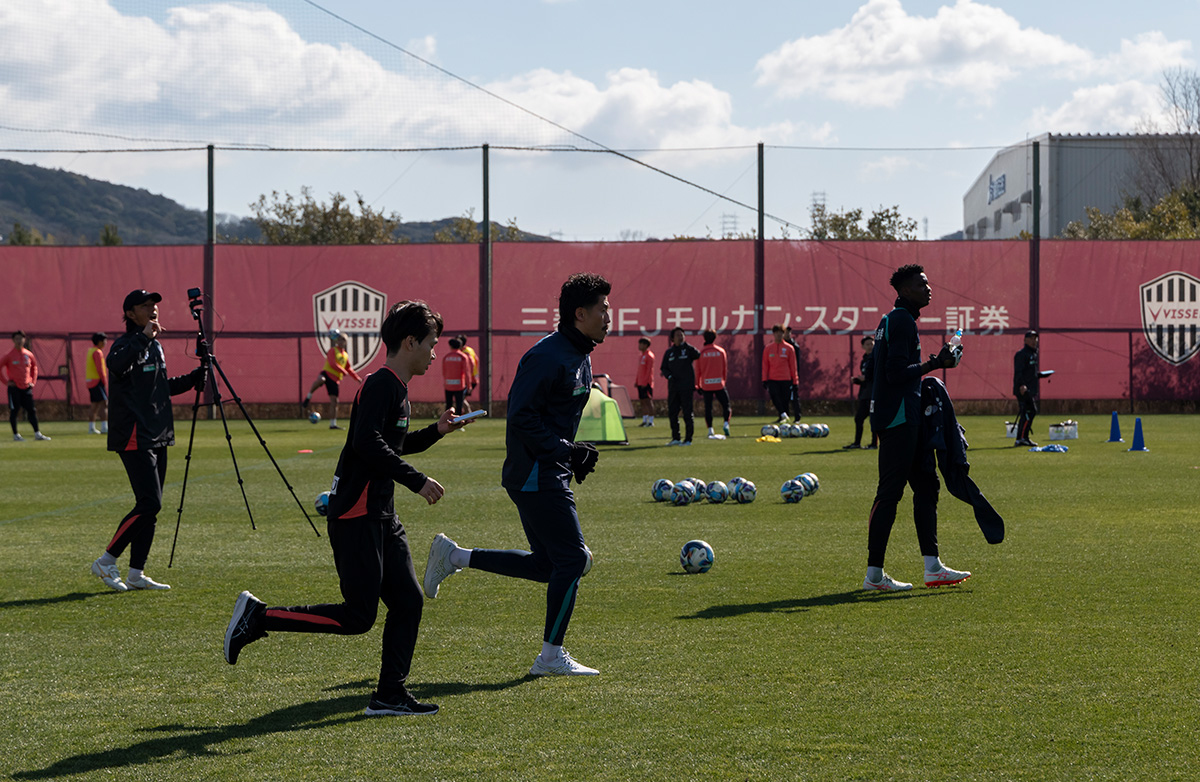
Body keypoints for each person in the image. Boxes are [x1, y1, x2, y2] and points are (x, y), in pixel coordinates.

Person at [223, 300, 473, 717]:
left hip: (380, 515)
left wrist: (437, 431)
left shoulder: (396, 387)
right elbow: (366, 444)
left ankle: (389, 695)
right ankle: (258, 616)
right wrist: (417, 480)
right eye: (431, 343)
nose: (434, 352)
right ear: (410, 342)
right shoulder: (381, 384)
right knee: (358, 617)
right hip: (357, 515)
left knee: (409, 602)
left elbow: (390, 444)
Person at [422, 273, 610, 678]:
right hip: (533, 473)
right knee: (573, 559)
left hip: (549, 469)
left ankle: (454, 556)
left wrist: (571, 456)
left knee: (549, 565)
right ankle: (550, 657)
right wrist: (566, 451)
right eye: (603, 309)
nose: (610, 316)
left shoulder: (582, 351)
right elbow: (522, 418)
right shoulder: (546, 356)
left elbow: (553, 418)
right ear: (581, 314)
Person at [862, 265, 970, 592]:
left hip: (906, 416)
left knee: (926, 486)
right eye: (922, 284)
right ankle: (874, 576)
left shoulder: (897, 319)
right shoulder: (901, 321)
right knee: (890, 494)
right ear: (905, 290)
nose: (928, 288)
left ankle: (932, 566)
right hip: (897, 419)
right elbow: (896, 373)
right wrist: (935, 364)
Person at [90, 290, 205, 592]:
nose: (153, 309)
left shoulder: (155, 346)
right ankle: (106, 560)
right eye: (145, 306)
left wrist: (196, 376)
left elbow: (161, 389)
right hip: (133, 434)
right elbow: (115, 366)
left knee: (151, 508)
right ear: (130, 314)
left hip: (158, 433)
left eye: (154, 305)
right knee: (149, 502)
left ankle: (135, 574)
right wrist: (144, 337)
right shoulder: (127, 343)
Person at [303, 332, 362, 430]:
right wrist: (343, 371)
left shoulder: (345, 355)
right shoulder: (332, 350)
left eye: (343, 339)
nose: (341, 341)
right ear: (336, 341)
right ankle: (309, 395)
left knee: (334, 402)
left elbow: (349, 368)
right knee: (321, 379)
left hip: (335, 379)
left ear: (346, 342)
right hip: (327, 373)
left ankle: (332, 424)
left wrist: (357, 378)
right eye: (339, 339)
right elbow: (332, 364)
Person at [2, 330, 49, 442]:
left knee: (31, 410)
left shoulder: (28, 354)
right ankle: (16, 435)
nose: (19, 341)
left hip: (26, 387)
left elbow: (34, 368)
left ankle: (37, 433)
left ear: (24, 340)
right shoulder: (9, 355)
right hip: (14, 388)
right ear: (13, 340)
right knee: (15, 410)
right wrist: (6, 382)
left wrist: (32, 381)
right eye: (17, 339)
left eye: (21, 338)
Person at [660, 327, 700, 446]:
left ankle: (688, 439)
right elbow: (663, 368)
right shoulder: (669, 352)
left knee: (687, 413)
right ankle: (676, 438)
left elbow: (697, 354)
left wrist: (685, 345)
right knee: (673, 413)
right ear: (672, 338)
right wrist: (670, 376)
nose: (680, 337)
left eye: (682, 335)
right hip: (673, 387)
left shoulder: (687, 350)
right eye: (677, 335)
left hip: (686, 387)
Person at [844, 335, 878, 450]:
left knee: (874, 420)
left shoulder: (876, 359)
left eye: (872, 344)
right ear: (863, 346)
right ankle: (857, 443)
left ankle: (874, 444)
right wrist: (858, 380)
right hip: (864, 394)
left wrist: (866, 378)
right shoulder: (864, 360)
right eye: (867, 344)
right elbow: (866, 379)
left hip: (874, 394)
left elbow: (877, 376)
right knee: (859, 418)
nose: (870, 346)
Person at [696, 329, 731, 439]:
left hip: (706, 385)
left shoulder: (701, 353)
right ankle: (726, 423)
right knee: (726, 405)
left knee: (708, 408)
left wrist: (698, 384)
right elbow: (725, 369)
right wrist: (723, 381)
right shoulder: (721, 351)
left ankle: (710, 429)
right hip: (719, 384)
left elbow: (698, 371)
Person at [762, 324, 798, 423]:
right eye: (777, 333)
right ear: (773, 334)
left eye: (781, 333)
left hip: (786, 379)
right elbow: (765, 365)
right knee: (774, 396)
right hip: (773, 379)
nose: (779, 335)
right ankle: (782, 414)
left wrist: (795, 380)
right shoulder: (768, 348)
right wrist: (764, 379)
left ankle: (783, 418)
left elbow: (793, 365)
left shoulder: (789, 348)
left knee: (785, 400)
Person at [1013, 330, 1042, 447]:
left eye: (1036, 338)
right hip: (1023, 389)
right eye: (1031, 338)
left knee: (1029, 412)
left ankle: (1023, 438)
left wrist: (1041, 375)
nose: (1034, 341)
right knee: (1028, 412)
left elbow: (1031, 373)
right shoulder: (1021, 354)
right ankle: (1021, 438)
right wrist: (1021, 385)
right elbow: (1018, 372)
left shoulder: (1033, 354)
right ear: (1025, 340)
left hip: (1030, 388)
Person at [86, 332, 109, 435]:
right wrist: (104, 380)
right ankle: (104, 427)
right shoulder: (98, 352)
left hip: (90, 381)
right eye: (104, 341)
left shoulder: (90, 351)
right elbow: (100, 369)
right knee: (104, 403)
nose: (105, 343)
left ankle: (92, 427)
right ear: (100, 342)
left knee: (95, 404)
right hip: (97, 381)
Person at [441, 337, 471, 414]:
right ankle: (458, 422)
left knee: (448, 406)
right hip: (459, 385)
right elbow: (467, 372)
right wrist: (469, 385)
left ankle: (447, 422)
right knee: (459, 406)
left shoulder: (446, 357)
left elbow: (444, 372)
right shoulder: (463, 357)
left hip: (448, 385)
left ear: (450, 346)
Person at [783, 325, 804, 421]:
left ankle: (797, 417)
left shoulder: (794, 347)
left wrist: (794, 376)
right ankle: (784, 417)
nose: (787, 334)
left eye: (788, 332)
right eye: (785, 332)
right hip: (783, 377)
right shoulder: (780, 345)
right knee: (784, 398)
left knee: (794, 397)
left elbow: (797, 364)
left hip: (792, 377)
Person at [635, 337, 655, 427]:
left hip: (646, 383)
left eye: (641, 344)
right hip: (640, 382)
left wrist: (645, 382)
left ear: (645, 345)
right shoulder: (641, 356)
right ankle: (644, 420)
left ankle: (651, 421)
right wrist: (637, 381)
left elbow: (649, 371)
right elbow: (639, 370)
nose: (639, 346)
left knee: (648, 401)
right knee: (642, 401)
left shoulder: (649, 356)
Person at [458, 333, 479, 413]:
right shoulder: (470, 349)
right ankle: (468, 415)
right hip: (474, 377)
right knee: (462, 399)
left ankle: (469, 415)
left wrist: (468, 379)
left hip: (470, 379)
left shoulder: (464, 352)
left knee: (461, 399)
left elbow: (470, 366)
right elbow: (476, 360)